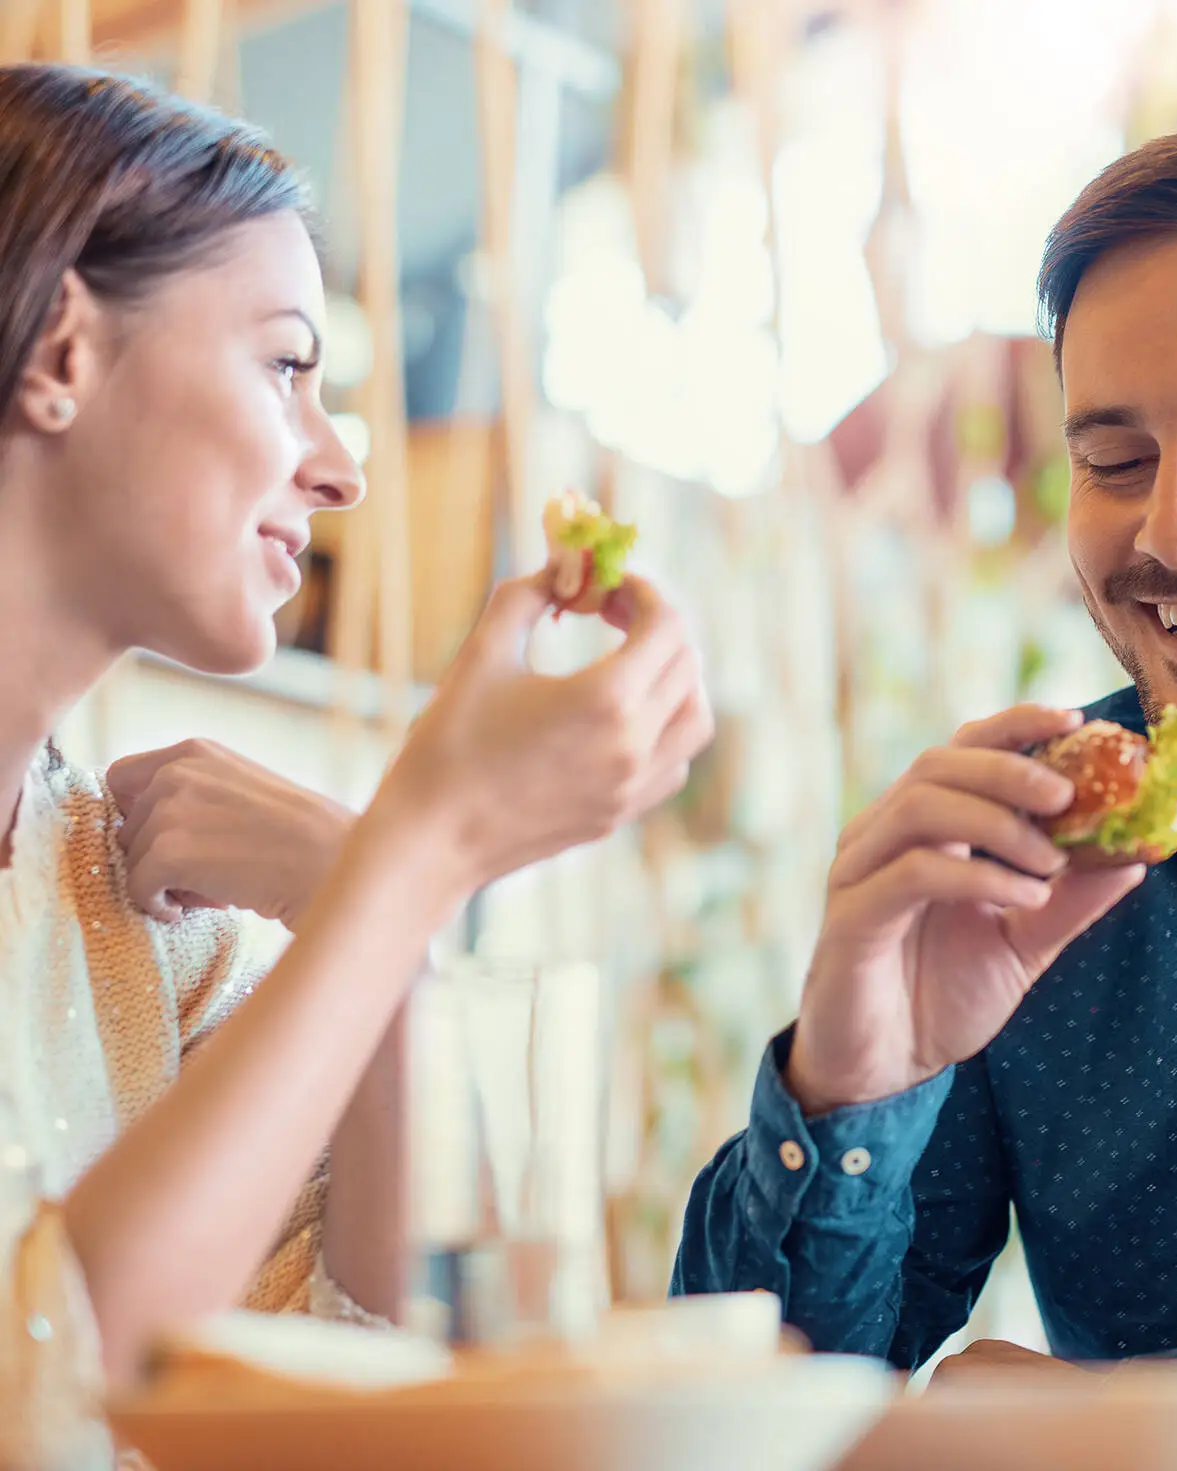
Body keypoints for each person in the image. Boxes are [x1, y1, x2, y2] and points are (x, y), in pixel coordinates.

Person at [673, 124, 1177, 1446]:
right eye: (1111, 461)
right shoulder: (1021, 852)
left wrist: (1112, 1421)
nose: (1172, 531)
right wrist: (856, 1076)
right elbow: (748, 1420)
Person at [0, 63, 711, 1467]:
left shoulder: (128, 903)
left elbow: (338, 1393)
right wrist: (414, 855)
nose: (343, 469)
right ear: (64, 353)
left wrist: (384, 934)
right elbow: (49, 1388)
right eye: (284, 364)